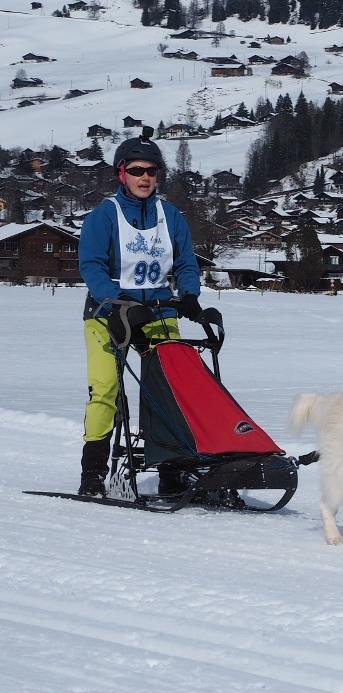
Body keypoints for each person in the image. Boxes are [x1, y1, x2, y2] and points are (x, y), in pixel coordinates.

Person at [76, 128, 202, 497]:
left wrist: (190, 296)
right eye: (136, 170)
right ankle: (93, 473)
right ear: (121, 173)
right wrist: (116, 303)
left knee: (170, 389)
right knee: (106, 389)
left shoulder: (171, 216)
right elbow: (92, 266)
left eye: (151, 171)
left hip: (159, 310)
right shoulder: (105, 215)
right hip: (107, 313)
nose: (144, 177)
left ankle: (172, 471)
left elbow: (186, 263)